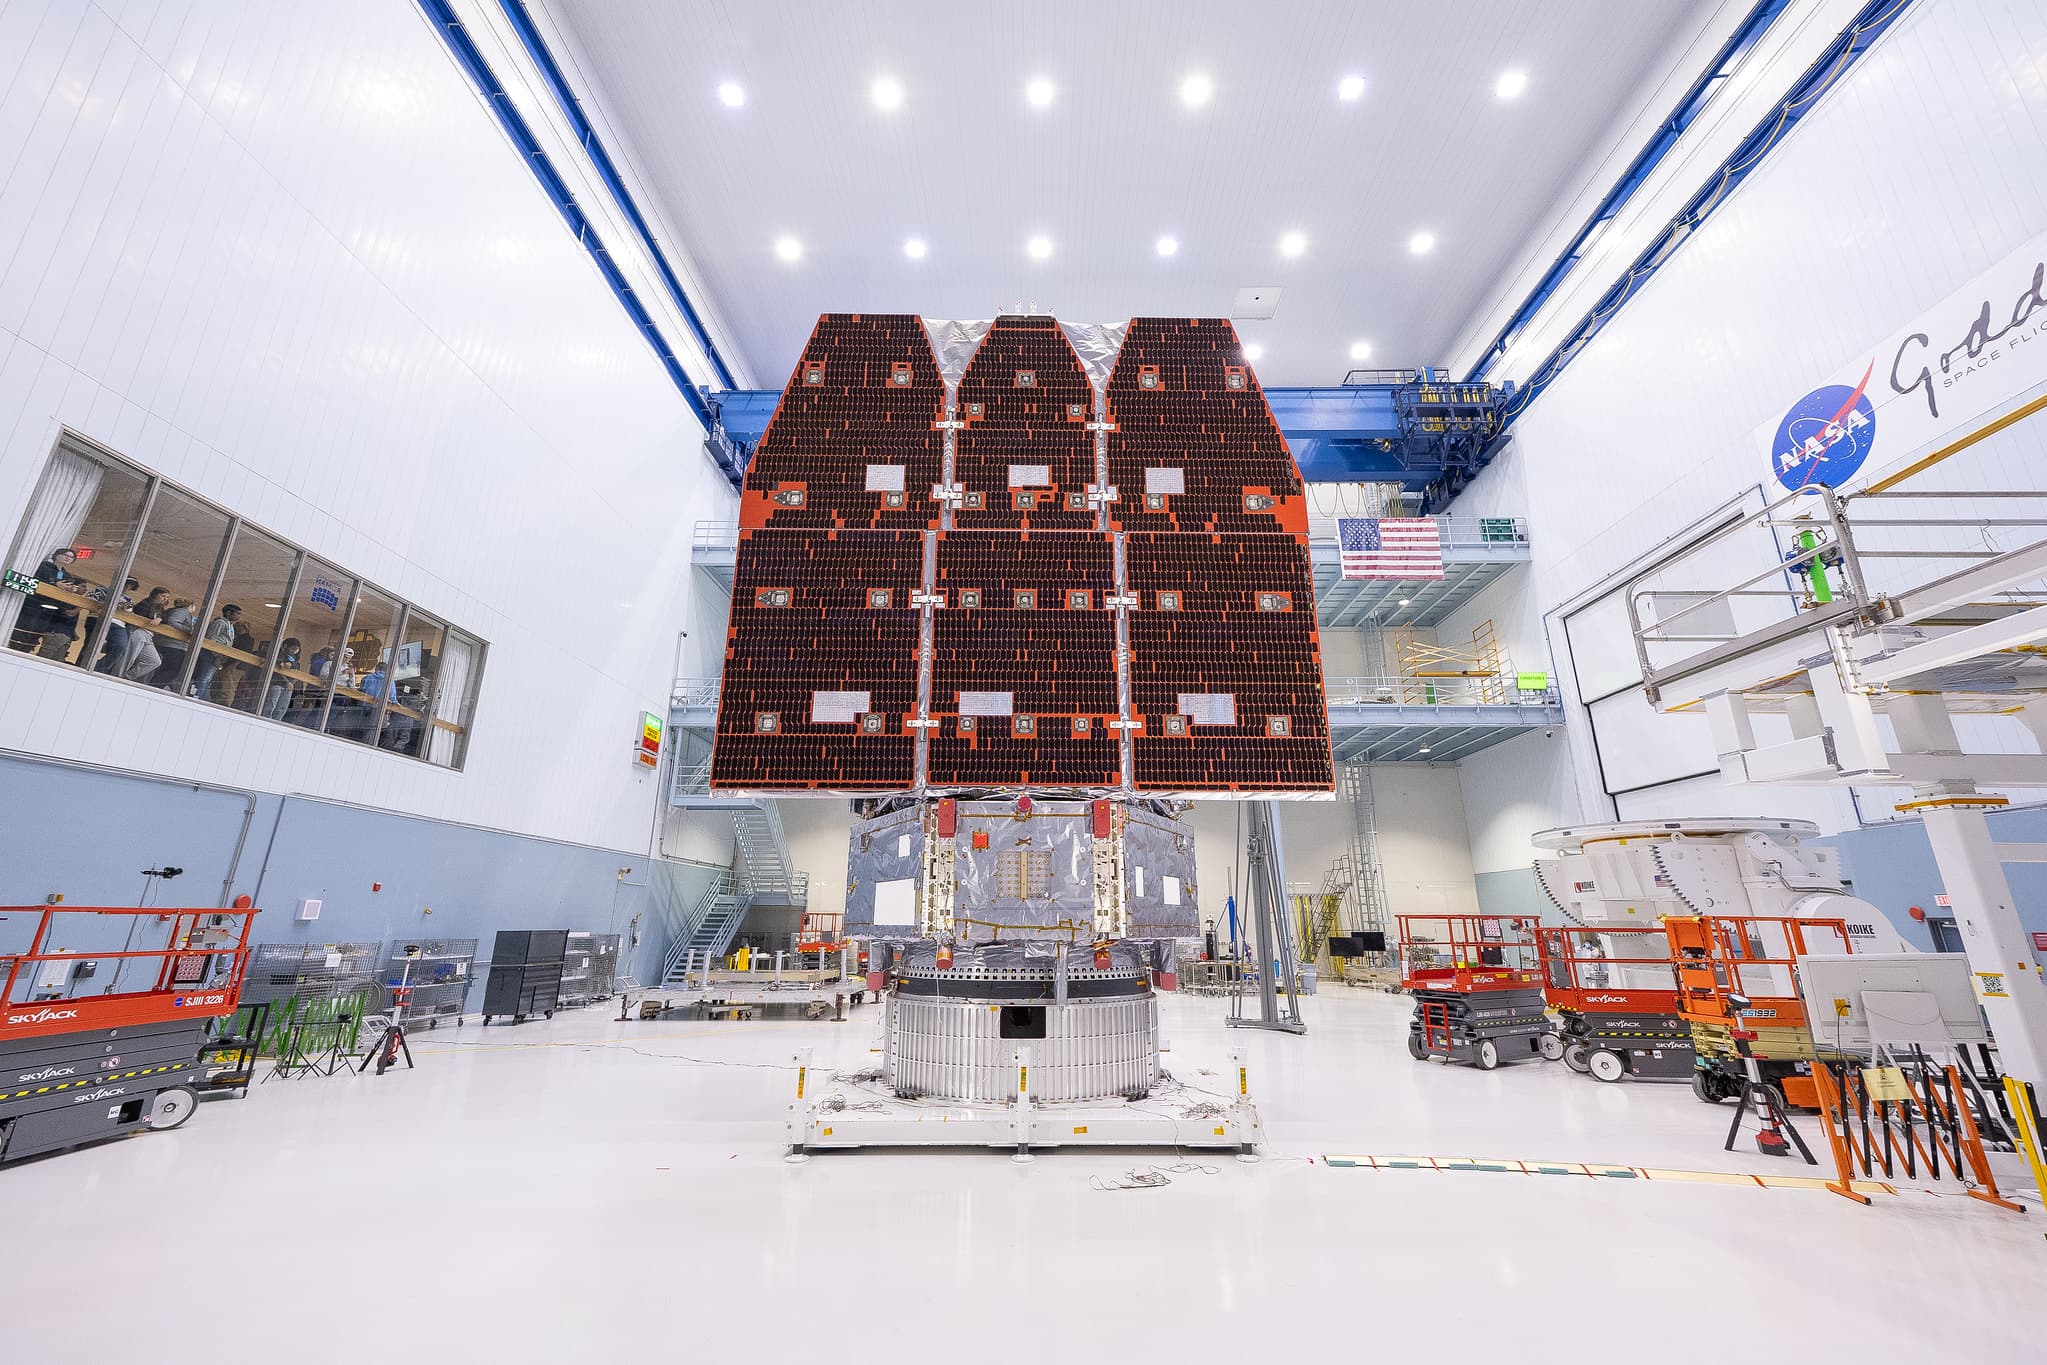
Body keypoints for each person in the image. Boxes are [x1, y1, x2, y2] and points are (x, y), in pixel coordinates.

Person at [12, 548, 82, 656]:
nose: (68, 558)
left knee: (36, 634)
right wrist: (55, 585)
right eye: (66, 555)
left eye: (71, 557)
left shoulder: (67, 576)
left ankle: (26, 651)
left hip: (50, 611)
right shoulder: (44, 567)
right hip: (34, 606)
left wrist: (72, 590)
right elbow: (36, 583)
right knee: (24, 630)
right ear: (56, 555)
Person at [118, 587, 171, 680]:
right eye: (163, 596)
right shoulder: (145, 603)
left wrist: (160, 618)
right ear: (155, 595)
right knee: (129, 657)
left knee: (154, 661)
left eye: (166, 597)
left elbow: (167, 619)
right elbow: (140, 613)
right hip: (138, 631)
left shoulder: (161, 609)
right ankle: (117, 676)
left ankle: (127, 677)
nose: (165, 599)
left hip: (149, 636)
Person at [191, 603, 241, 700]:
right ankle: (195, 695)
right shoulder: (220, 623)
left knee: (208, 678)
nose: (238, 616)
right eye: (237, 613)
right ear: (228, 612)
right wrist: (216, 654)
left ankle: (200, 696)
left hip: (219, 655)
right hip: (210, 654)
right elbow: (211, 638)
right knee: (204, 677)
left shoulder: (230, 625)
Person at [152, 597, 197, 687]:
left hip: (170, 644)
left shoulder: (176, 611)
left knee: (167, 668)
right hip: (173, 645)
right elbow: (172, 621)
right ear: (190, 605)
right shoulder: (183, 611)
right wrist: (189, 630)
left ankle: (155, 685)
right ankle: (155, 686)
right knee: (174, 670)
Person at [264, 637, 303, 720]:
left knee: (283, 707)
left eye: (296, 650)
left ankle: (277, 720)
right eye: (292, 649)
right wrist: (287, 681)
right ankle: (266, 719)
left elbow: (297, 673)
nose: (294, 651)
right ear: (286, 646)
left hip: (288, 686)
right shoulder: (280, 655)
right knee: (272, 704)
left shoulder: (295, 660)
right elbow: (278, 670)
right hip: (277, 683)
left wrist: (292, 682)